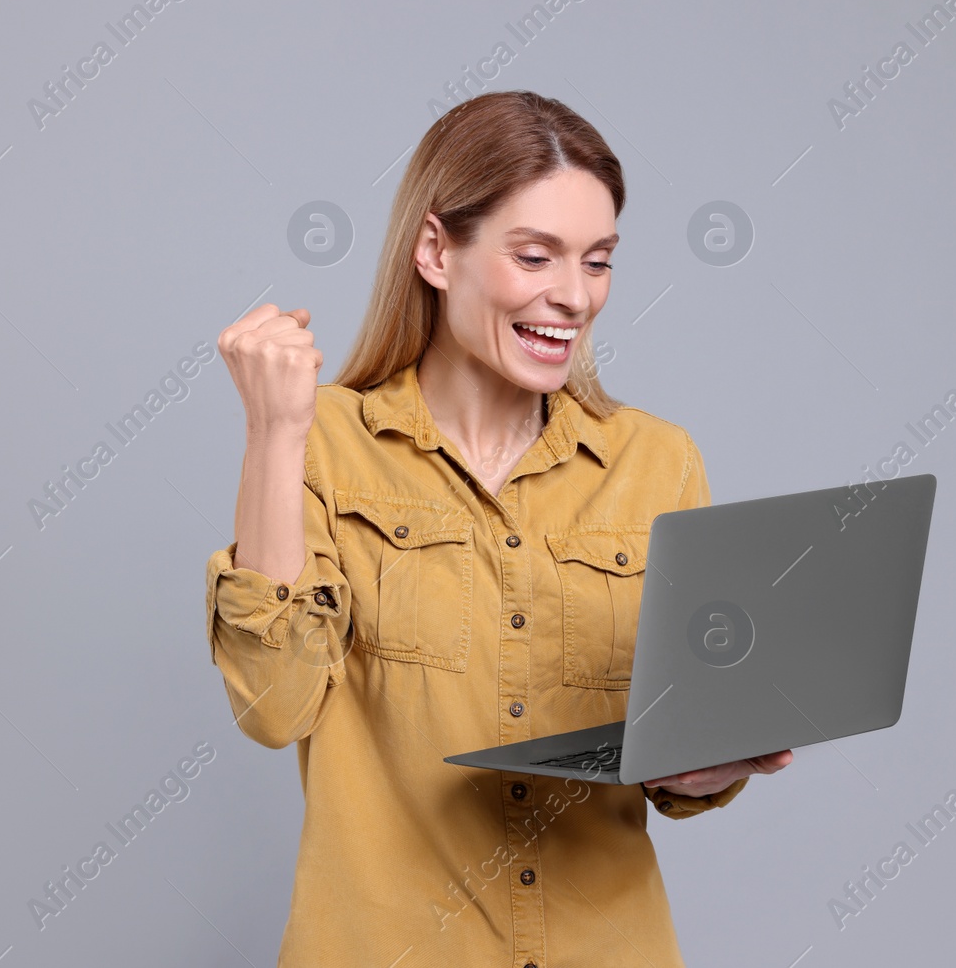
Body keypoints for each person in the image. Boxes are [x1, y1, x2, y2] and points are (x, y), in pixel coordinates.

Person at [205, 90, 793, 966]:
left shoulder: (658, 461)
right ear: (437, 250)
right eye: (535, 255)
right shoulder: (323, 444)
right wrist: (274, 431)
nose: (573, 296)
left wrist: (704, 771)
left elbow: (682, 745)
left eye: (597, 261)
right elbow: (273, 705)